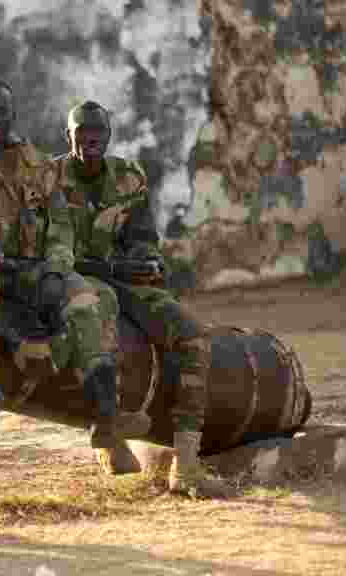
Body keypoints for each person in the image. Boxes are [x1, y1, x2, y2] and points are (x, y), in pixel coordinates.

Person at [0, 78, 135, 449]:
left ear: (13, 113)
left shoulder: (37, 163)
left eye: (1, 111)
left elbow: (61, 225)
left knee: (81, 293)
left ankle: (105, 407)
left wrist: (56, 266)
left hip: (28, 268)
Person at [50, 100, 232, 498]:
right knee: (98, 325)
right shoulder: (48, 180)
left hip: (125, 279)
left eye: (97, 131)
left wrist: (148, 263)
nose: (89, 138)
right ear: (68, 137)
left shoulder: (129, 177)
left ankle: (186, 464)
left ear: (109, 135)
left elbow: (142, 237)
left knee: (192, 337)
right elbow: (52, 254)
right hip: (76, 281)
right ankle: (107, 431)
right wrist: (113, 271)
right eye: (80, 131)